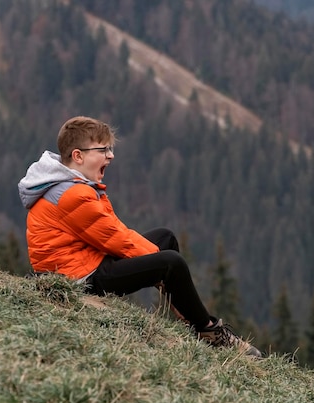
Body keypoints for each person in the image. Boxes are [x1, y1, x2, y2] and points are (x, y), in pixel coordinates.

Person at [18, 115, 261, 358]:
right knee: (170, 263)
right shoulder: (73, 194)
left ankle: (190, 318)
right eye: (103, 150)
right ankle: (208, 330)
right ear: (78, 156)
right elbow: (116, 238)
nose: (111, 156)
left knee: (164, 239)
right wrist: (159, 266)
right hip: (79, 278)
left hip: (85, 262)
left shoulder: (70, 185)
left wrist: (154, 261)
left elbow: (114, 234)